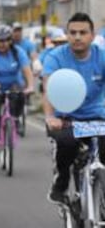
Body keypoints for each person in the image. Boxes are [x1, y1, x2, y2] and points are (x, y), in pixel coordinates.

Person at [43, 12, 105, 204]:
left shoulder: (101, 56)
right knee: (68, 145)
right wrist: (50, 117)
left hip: (97, 118)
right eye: (73, 32)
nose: (77, 37)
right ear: (67, 35)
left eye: (83, 32)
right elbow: (48, 88)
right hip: (67, 120)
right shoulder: (56, 57)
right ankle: (60, 184)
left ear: (92, 36)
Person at [0, 25, 34, 162]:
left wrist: (30, 86)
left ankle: (16, 119)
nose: (1, 44)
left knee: (20, 95)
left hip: (13, 83)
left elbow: (26, 70)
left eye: (5, 41)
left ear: (10, 41)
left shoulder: (18, 52)